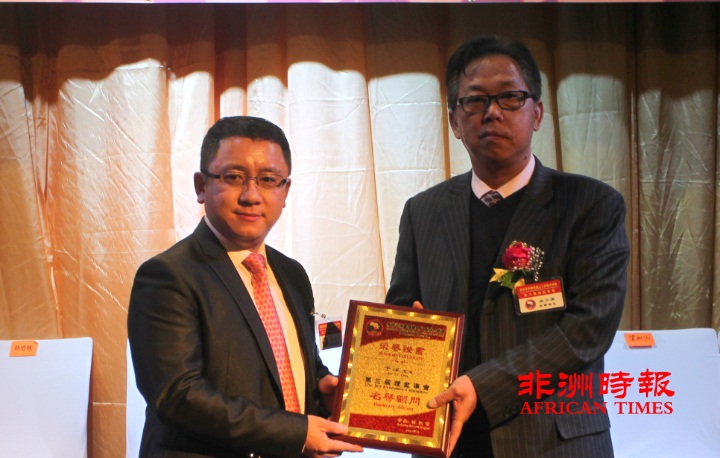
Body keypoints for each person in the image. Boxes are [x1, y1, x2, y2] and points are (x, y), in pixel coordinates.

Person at [385, 35, 629, 457]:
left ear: (537, 114)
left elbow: (586, 330)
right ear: (454, 121)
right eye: (475, 101)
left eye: (510, 97)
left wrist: (482, 386)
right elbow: (404, 313)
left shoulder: (592, 204)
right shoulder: (422, 211)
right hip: (450, 441)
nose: (492, 112)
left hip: (553, 442)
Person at [128, 116, 363, 458]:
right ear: (201, 186)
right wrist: (296, 432)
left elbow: (289, 364)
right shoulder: (168, 275)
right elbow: (178, 395)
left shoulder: (292, 274)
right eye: (233, 177)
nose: (251, 196)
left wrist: (321, 387)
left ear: (285, 191)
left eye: (268, 180)